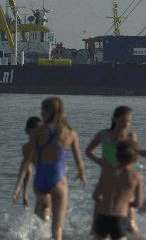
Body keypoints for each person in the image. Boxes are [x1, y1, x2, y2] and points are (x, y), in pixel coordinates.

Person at [13, 97, 86, 240]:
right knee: (57, 228)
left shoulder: (36, 133)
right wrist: (82, 174)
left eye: (42, 110)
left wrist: (17, 188)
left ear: (49, 111)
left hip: (39, 182)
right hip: (57, 181)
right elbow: (79, 161)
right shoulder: (70, 133)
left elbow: (26, 163)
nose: (41, 113)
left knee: (41, 210)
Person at [86, 106, 139, 232]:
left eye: (129, 121)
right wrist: (99, 161)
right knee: (96, 224)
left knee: (131, 225)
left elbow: (135, 157)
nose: (126, 124)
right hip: (107, 177)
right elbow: (88, 151)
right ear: (115, 120)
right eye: (123, 121)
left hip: (125, 178)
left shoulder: (131, 136)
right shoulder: (104, 134)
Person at [93, 140, 143, 240]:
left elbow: (95, 195)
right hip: (120, 218)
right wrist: (125, 203)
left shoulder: (107, 172)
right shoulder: (136, 177)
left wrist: (105, 201)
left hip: (103, 216)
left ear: (116, 155)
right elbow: (138, 203)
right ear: (135, 157)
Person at [13, 116, 52, 220]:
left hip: (52, 182)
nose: (35, 136)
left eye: (38, 132)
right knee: (38, 218)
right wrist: (24, 194)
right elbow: (28, 172)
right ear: (27, 131)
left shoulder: (47, 145)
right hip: (41, 184)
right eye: (33, 133)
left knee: (45, 212)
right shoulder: (26, 148)